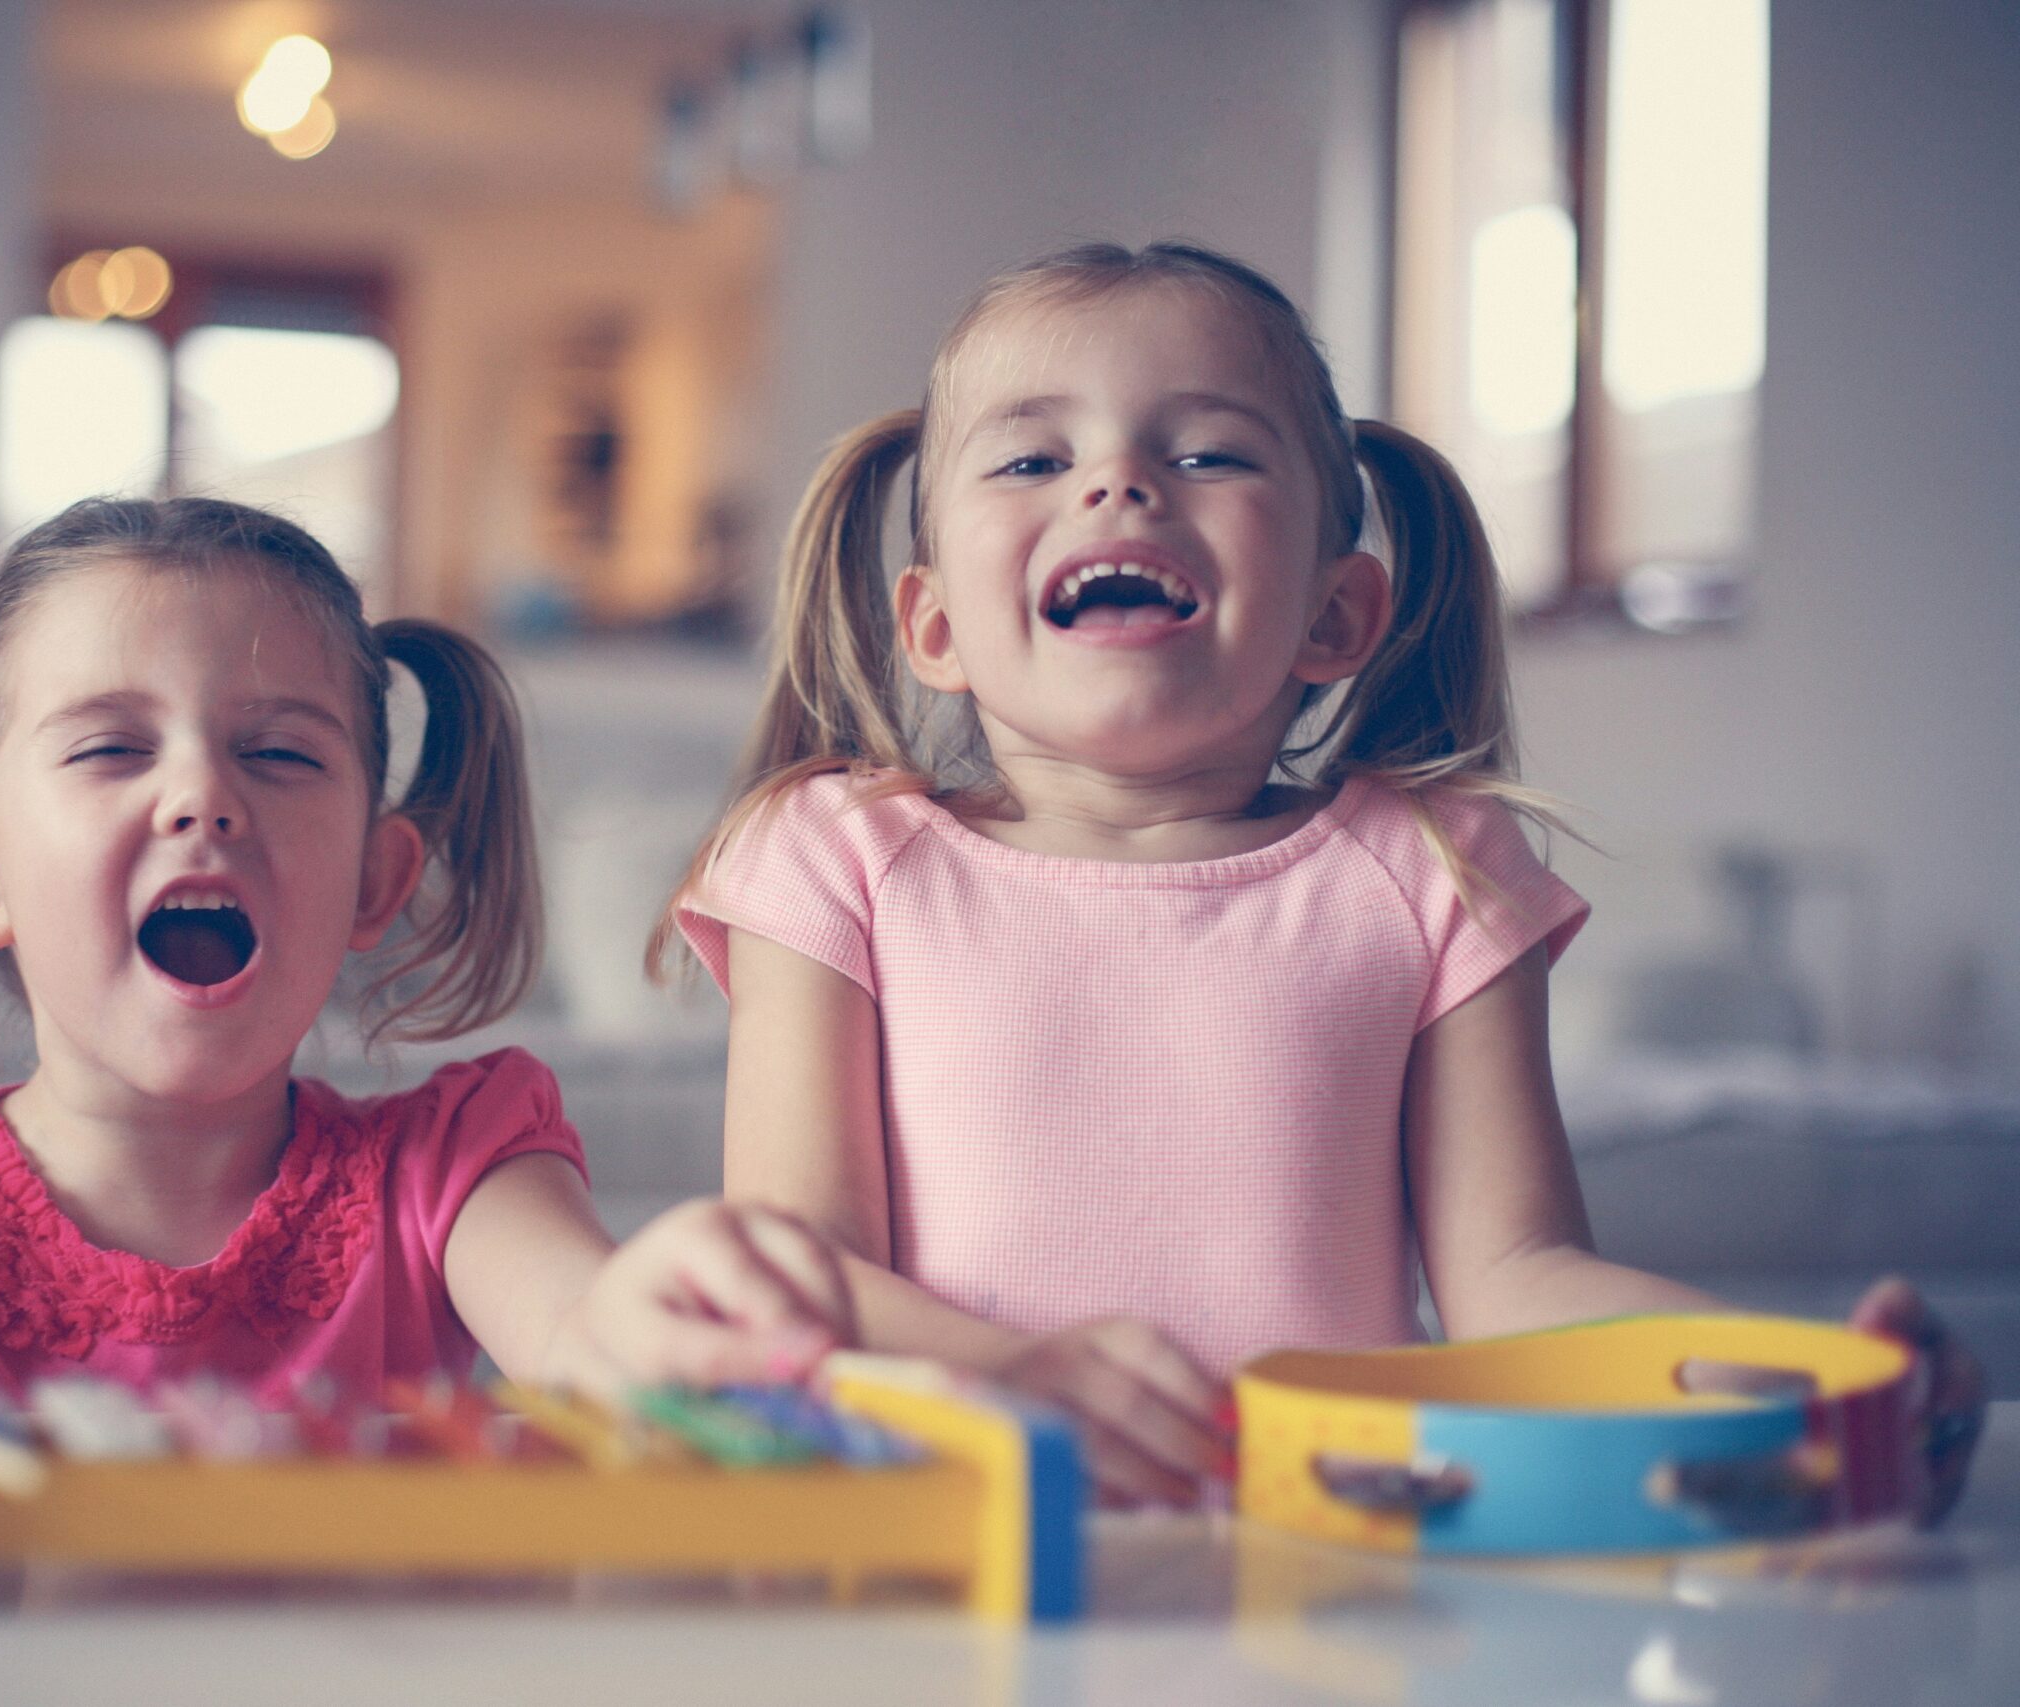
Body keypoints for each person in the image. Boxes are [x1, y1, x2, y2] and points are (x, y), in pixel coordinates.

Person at [662, 241, 1984, 1514]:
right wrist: (1014, 1377)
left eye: (1206, 453)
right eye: (1032, 457)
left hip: (1349, 1565)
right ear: (935, 626)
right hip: (971, 1547)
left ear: (1334, 614)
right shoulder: (831, 861)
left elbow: (1515, 1276)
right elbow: (796, 1277)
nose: (1117, 484)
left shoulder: (1433, 870)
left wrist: (1802, 1382)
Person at [0, 497, 849, 1434]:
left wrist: (645, 1321)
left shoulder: (453, 1175)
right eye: (112, 749)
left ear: (375, 883)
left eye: (279, 755)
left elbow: (578, 1326)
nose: (202, 797)